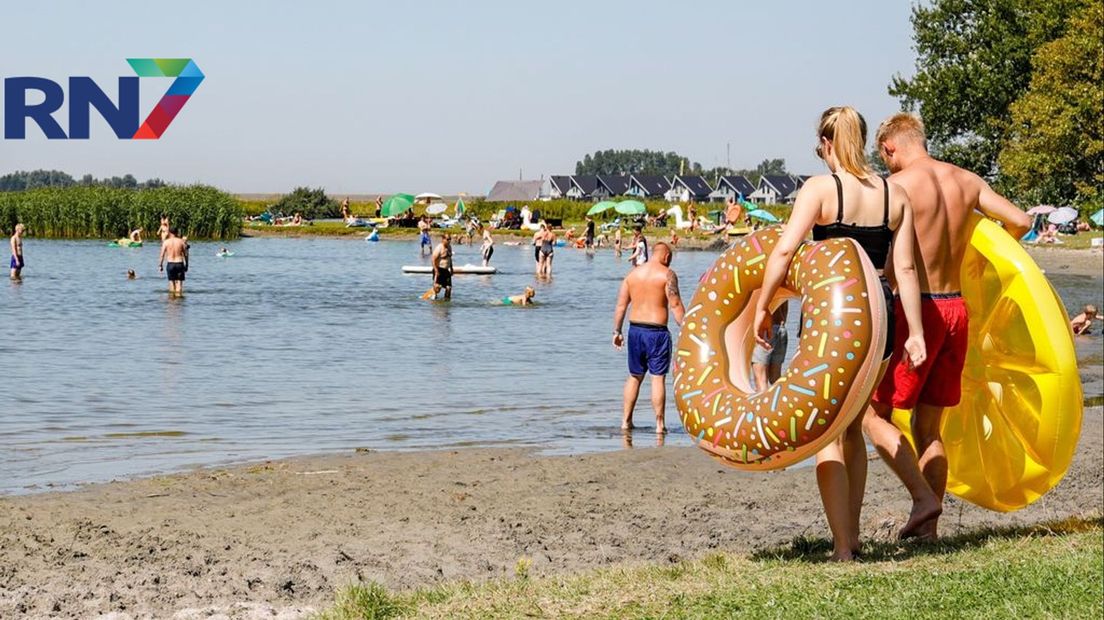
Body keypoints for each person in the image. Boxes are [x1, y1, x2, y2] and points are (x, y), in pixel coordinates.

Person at [752, 106, 927, 562]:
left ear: (828, 144)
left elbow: (786, 249)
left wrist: (763, 306)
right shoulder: (895, 195)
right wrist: (917, 334)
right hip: (882, 321)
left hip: (836, 322)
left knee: (828, 433)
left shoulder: (821, 189)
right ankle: (852, 538)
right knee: (852, 428)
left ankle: (843, 547)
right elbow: (903, 269)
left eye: (819, 147)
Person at [864, 112, 1032, 542]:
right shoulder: (967, 180)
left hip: (914, 309)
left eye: (885, 158)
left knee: (872, 414)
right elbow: (1021, 222)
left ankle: (922, 498)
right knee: (929, 429)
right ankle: (929, 533)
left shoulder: (899, 187)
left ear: (891, 148)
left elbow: (892, 261)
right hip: (956, 308)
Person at [612, 243, 685, 434]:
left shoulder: (632, 274)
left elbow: (620, 306)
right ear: (666, 256)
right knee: (657, 379)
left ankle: (625, 422)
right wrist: (687, 329)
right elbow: (675, 305)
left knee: (634, 376)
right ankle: (660, 426)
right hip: (656, 333)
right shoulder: (667, 274)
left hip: (634, 330)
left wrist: (617, 332)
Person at [751, 302, 788, 391]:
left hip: (765, 330)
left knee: (760, 379)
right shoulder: (779, 288)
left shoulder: (764, 290)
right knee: (775, 379)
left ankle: (763, 404)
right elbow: (785, 309)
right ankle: (780, 403)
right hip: (781, 328)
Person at [158, 226, 189, 296]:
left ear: (169, 232)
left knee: (171, 283)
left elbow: (162, 255)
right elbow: (186, 255)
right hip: (179, 263)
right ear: (177, 232)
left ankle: (172, 302)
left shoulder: (166, 242)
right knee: (179, 284)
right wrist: (187, 265)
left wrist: (160, 265)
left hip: (170, 264)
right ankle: (179, 301)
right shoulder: (181, 242)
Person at [427, 233, 453, 300]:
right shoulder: (439, 248)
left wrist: (451, 268)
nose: (449, 241)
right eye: (447, 239)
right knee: (438, 288)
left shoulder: (449, 247)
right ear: (443, 239)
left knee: (448, 288)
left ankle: (446, 301)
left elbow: (450, 258)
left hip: (446, 270)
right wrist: (436, 270)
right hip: (439, 269)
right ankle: (433, 295)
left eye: (450, 239)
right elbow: (433, 260)